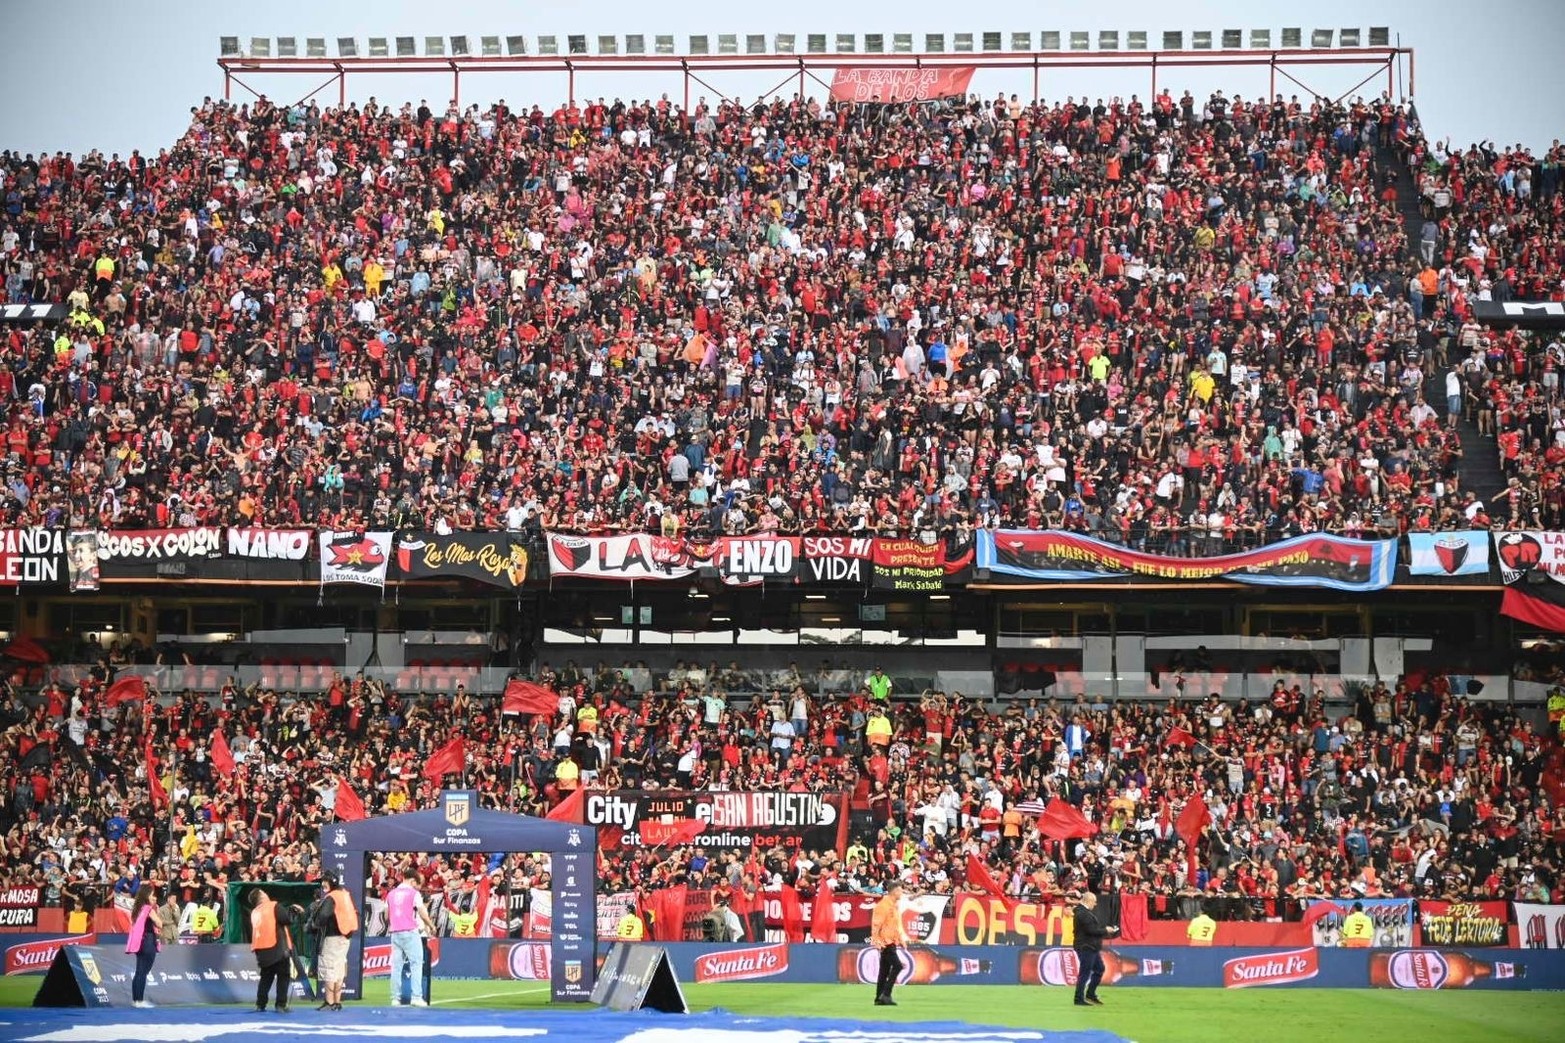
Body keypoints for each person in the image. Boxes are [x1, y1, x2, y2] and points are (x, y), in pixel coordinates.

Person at [387, 866, 435, 1007]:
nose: (417, 886)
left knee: (396, 967)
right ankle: (416, 997)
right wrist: (431, 925)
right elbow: (422, 912)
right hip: (410, 931)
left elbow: (385, 914)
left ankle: (395, 998)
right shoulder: (414, 893)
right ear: (413, 881)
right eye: (417, 883)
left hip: (395, 932)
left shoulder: (391, 894)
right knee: (416, 964)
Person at [315, 873, 360, 1011]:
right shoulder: (345, 894)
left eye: (325, 881)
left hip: (332, 937)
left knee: (329, 968)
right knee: (339, 968)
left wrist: (315, 923)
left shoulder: (332, 897)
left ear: (331, 882)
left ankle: (329, 1002)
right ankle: (337, 1002)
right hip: (345, 936)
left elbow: (323, 916)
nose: (323, 884)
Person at [249, 888, 296, 1014]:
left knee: (265, 978)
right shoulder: (273, 906)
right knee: (283, 976)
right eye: (263, 892)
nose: (266, 893)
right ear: (261, 897)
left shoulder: (255, 912)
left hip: (262, 949)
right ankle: (280, 1005)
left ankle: (260, 1004)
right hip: (277, 947)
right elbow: (286, 919)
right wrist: (293, 912)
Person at [1071, 891, 1117, 1006]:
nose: (1095, 904)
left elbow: (1091, 929)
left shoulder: (1083, 912)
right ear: (1089, 901)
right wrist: (1106, 930)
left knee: (1099, 969)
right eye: (1094, 902)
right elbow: (1091, 930)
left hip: (1091, 946)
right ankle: (1079, 998)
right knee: (1085, 973)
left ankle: (1090, 994)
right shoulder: (1083, 913)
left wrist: (1103, 929)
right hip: (1086, 946)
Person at [869, 879, 909, 1006]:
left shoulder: (893, 906)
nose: (902, 893)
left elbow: (895, 926)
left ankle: (878, 998)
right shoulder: (883, 905)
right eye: (900, 891)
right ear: (894, 892)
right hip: (885, 942)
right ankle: (886, 994)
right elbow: (876, 924)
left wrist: (901, 940)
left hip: (891, 940)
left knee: (884, 970)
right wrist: (876, 940)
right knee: (897, 966)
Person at [124, 882, 163, 1009]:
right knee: (143, 972)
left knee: (139, 972)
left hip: (140, 943)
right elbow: (159, 923)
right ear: (146, 896)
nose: (154, 898)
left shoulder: (137, 909)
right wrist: (156, 912)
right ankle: (139, 1001)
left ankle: (136, 1000)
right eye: (152, 895)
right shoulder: (148, 909)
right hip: (148, 941)